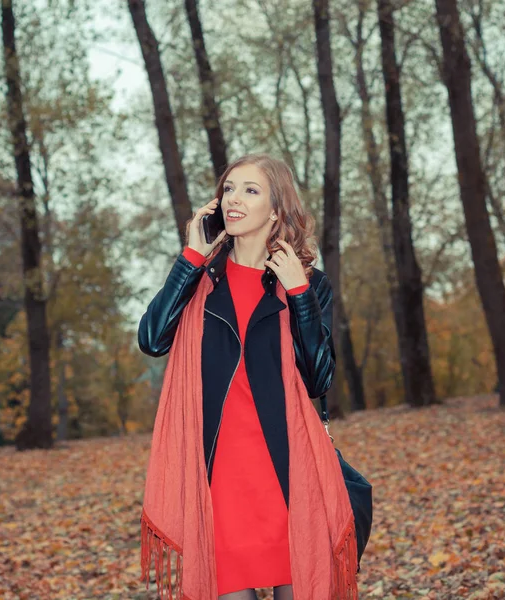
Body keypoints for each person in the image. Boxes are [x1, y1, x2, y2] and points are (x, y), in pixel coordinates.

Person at [138, 153, 350, 600]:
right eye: (229, 189)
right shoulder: (199, 276)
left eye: (250, 190)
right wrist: (190, 257)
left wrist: (300, 295)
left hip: (288, 470)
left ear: (276, 209)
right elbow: (153, 338)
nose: (233, 199)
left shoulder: (308, 283)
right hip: (220, 476)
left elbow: (319, 379)